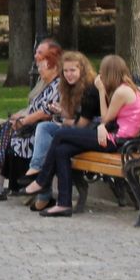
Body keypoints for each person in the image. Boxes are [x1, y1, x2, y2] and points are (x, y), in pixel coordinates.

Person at [25, 55, 140, 216]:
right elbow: (110, 119)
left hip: (118, 141)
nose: (100, 76)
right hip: (113, 136)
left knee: (61, 134)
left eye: (103, 72)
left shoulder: (122, 91)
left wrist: (102, 90)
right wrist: (103, 126)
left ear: (110, 73)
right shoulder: (123, 88)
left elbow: (106, 117)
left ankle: (42, 180)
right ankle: (64, 204)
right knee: (62, 150)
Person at [0, 38, 63, 200]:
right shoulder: (44, 81)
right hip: (31, 127)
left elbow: (45, 112)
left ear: (51, 61)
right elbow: (34, 108)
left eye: (40, 54)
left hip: (38, 133)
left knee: (1, 130)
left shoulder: (57, 84)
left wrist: (21, 120)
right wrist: (19, 116)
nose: (36, 58)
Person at [22, 51, 100, 211]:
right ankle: (40, 174)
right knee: (45, 129)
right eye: (66, 71)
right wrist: (60, 112)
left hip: (94, 133)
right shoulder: (69, 87)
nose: (69, 75)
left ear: (82, 70)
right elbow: (71, 116)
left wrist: (64, 121)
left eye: (73, 70)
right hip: (77, 131)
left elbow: (82, 125)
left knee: (58, 136)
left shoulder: (90, 90)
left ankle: (41, 181)